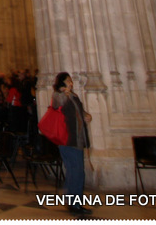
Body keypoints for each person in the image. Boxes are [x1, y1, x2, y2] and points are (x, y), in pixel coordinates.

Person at [52, 72, 92, 219]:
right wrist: (66, 93)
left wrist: (86, 115)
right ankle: (74, 202)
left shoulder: (73, 95)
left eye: (71, 80)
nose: (71, 83)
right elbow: (57, 104)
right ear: (62, 82)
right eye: (68, 80)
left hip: (77, 138)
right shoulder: (58, 95)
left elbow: (77, 110)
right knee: (75, 170)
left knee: (78, 170)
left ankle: (74, 200)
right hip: (67, 139)